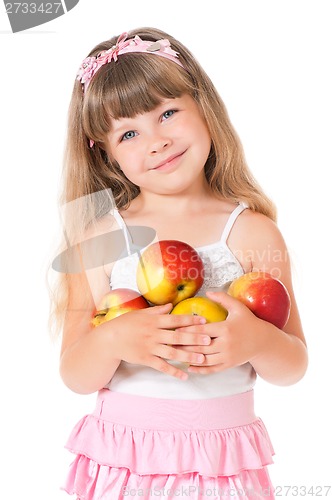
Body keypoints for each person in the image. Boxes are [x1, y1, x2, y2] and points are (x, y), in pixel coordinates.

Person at [53, 27, 308, 500]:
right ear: (105, 154)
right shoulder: (100, 238)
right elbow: (74, 373)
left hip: (222, 470)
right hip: (125, 466)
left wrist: (256, 339)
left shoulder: (251, 233)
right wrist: (113, 338)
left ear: (204, 108)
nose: (157, 141)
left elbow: (293, 364)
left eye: (168, 112)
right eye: (129, 132)